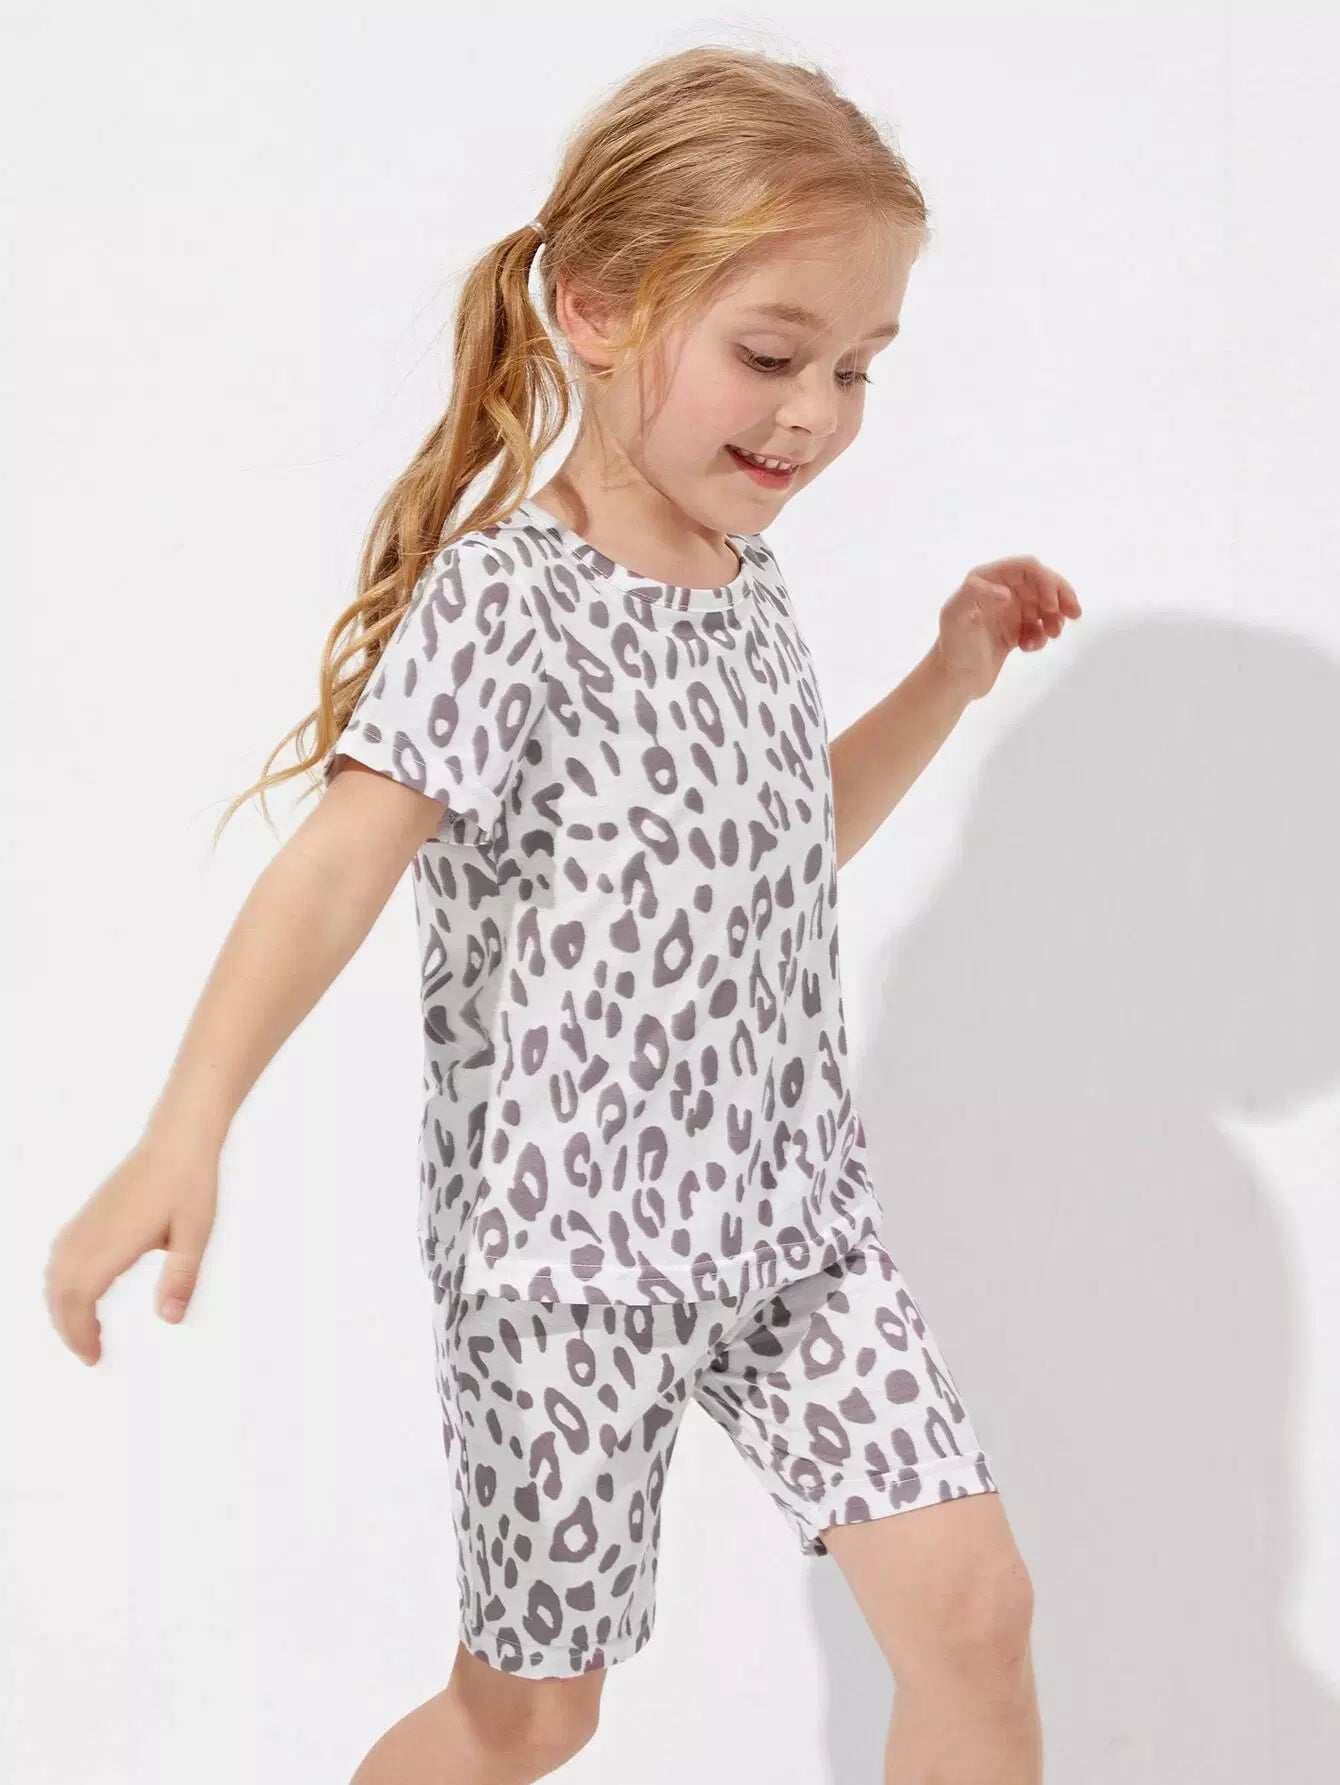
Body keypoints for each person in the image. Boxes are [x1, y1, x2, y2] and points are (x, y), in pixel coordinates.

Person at [44, 42, 1080, 1785]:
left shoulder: (747, 581)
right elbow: (339, 864)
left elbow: (772, 849)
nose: (815, 416)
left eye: (856, 368)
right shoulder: (505, 601)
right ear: (597, 308)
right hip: (568, 1260)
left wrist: (948, 676)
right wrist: (185, 1123)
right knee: (532, 1711)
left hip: (793, 1226)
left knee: (974, 1611)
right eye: (772, 356)